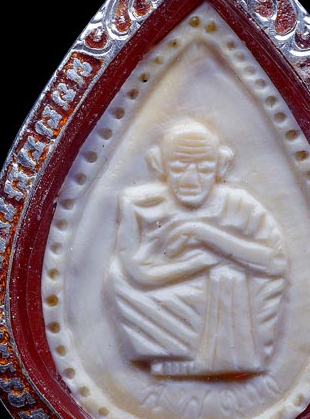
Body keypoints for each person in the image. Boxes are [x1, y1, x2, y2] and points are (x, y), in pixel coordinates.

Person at [107, 119, 286, 377]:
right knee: (117, 277)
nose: (191, 179)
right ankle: (174, 353)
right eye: (179, 166)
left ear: (221, 165)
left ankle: (223, 359)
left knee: (231, 274)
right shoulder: (139, 204)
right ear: (159, 164)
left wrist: (203, 233)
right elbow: (136, 273)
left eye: (204, 168)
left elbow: (276, 263)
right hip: (164, 293)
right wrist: (201, 263)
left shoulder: (239, 204)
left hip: (227, 299)